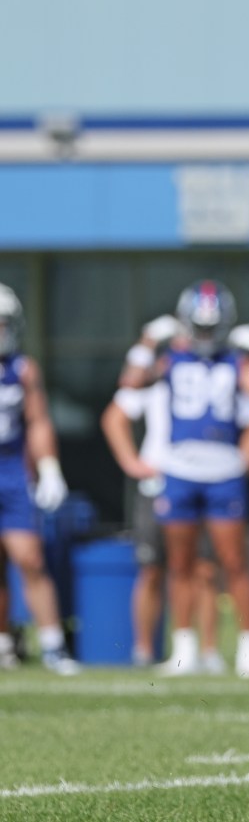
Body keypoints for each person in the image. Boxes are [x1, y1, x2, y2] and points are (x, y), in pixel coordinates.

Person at [121, 283, 249, 678]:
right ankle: (184, 649)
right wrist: (147, 340)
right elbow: (130, 384)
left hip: (223, 471)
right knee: (181, 565)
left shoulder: (234, 360)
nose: (205, 335)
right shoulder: (169, 357)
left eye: (211, 327)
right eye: (200, 327)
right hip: (180, 470)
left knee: (234, 563)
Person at [101, 314, 230, 670]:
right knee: (153, 569)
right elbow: (116, 411)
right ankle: (144, 650)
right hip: (158, 483)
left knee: (203, 568)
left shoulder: (209, 372)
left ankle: (207, 652)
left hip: (197, 479)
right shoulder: (157, 377)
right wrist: (131, 462)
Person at [0, 282, 79, 674]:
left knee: (29, 557)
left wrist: (49, 468)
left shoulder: (22, 368)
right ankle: (5, 645)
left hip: (11, 472)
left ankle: (52, 646)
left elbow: (37, 421)